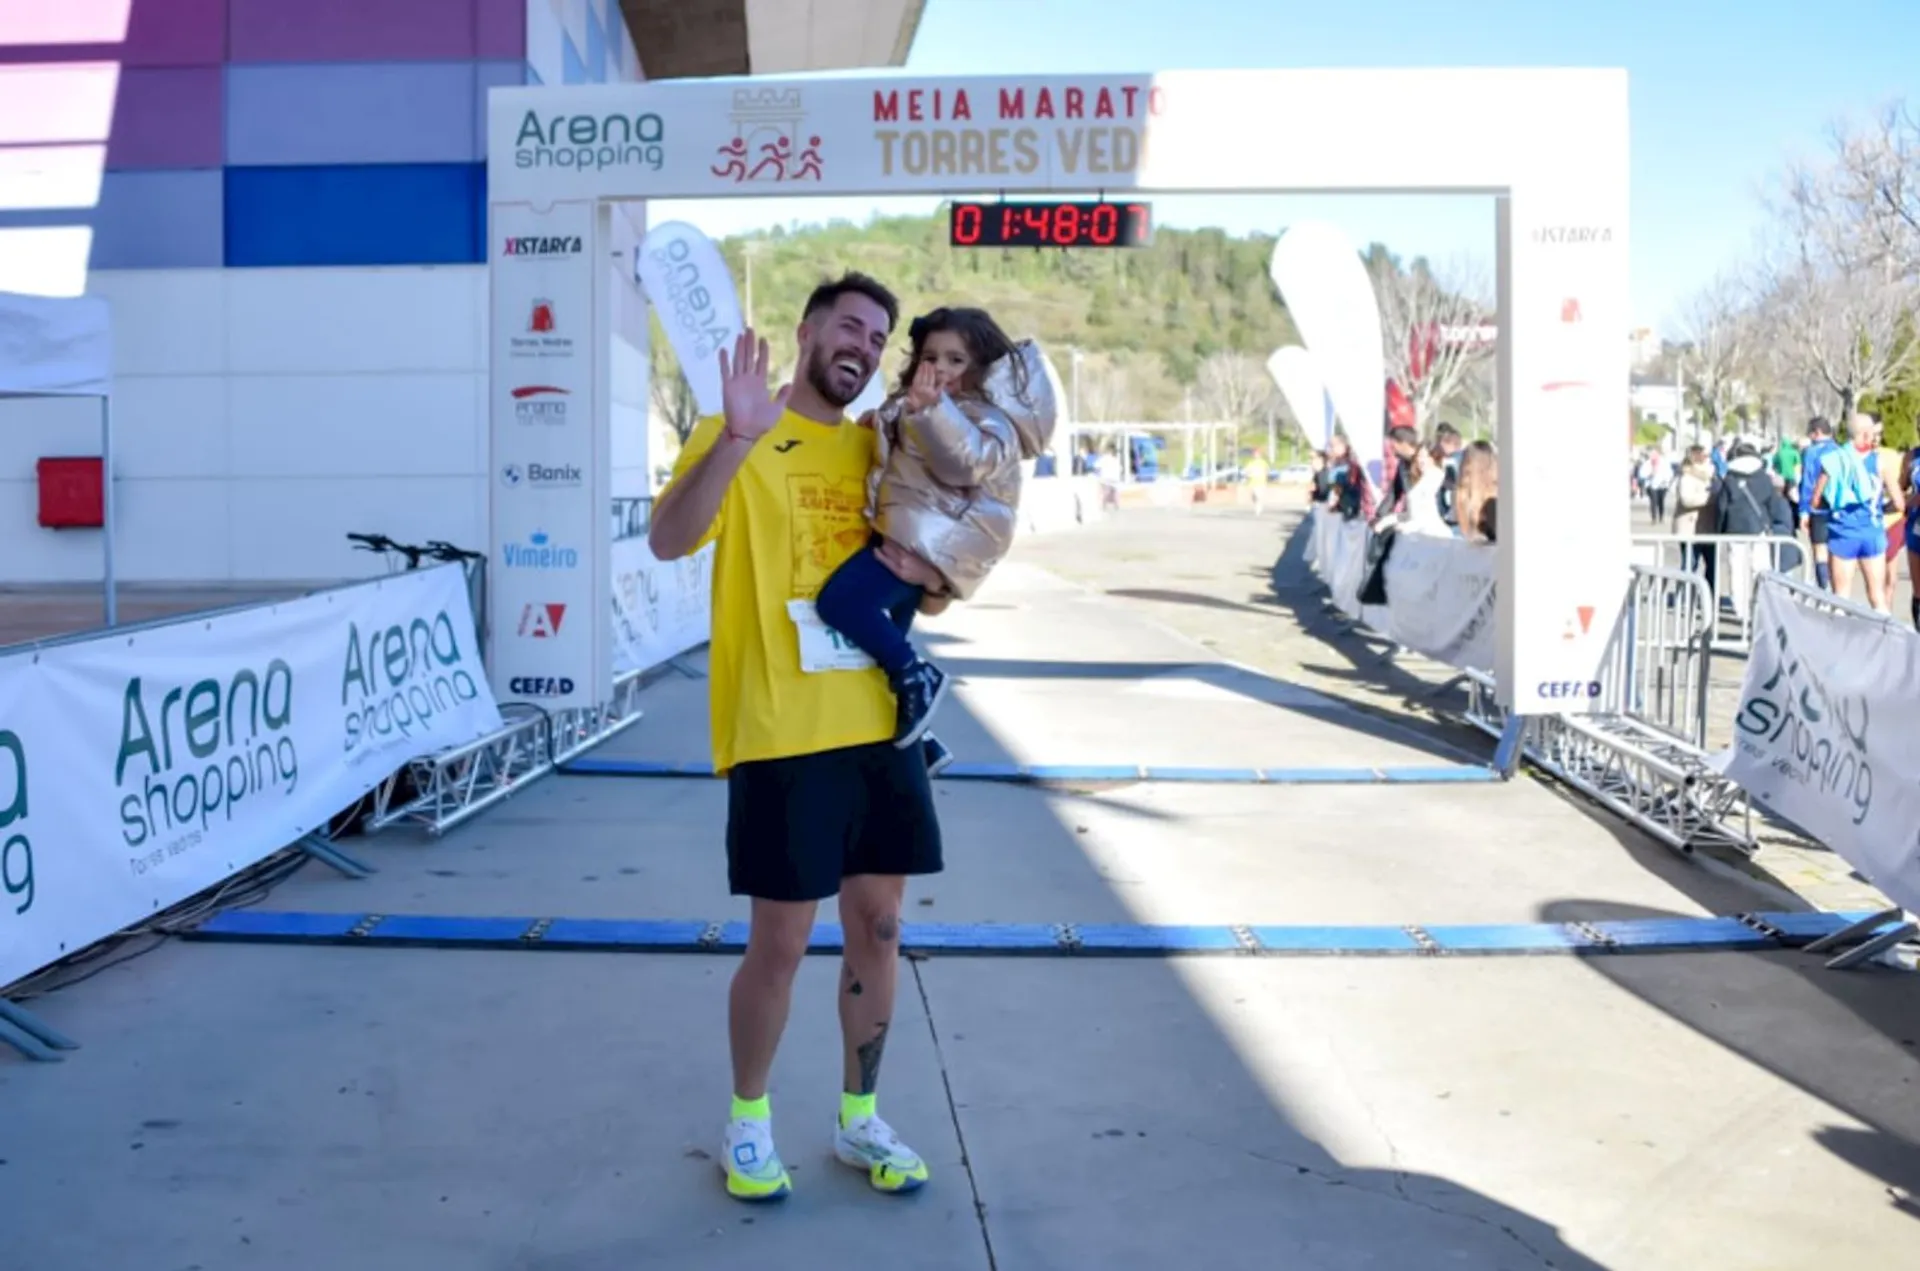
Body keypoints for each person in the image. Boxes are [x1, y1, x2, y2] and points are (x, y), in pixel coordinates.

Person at [648, 273, 943, 1203]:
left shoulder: (881, 447)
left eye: (879, 334)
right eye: (848, 325)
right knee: (780, 942)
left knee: (881, 928)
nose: (862, 342)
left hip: (880, 728)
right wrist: (735, 438)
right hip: (782, 729)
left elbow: (934, 579)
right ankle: (748, 1121)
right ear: (809, 332)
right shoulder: (738, 430)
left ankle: (860, 1120)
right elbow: (668, 538)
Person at [814, 306, 1056, 755]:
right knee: (877, 660)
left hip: (919, 549)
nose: (940, 369)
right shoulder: (921, 407)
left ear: (982, 368)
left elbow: (963, 462)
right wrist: (881, 424)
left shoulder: (987, 419)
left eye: (955, 360)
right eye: (931, 357)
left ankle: (919, 678)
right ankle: (919, 741)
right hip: (907, 549)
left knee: (840, 602)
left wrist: (933, 410)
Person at [1810, 412, 1896, 613]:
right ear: (1865, 435)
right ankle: (1885, 641)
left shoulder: (1833, 460)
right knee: (1877, 597)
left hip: (1842, 533)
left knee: (1840, 598)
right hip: (1871, 533)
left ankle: (1841, 641)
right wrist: (1881, 509)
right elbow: (1899, 503)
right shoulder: (1878, 462)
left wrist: (1829, 505)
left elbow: (1815, 499)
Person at [1797, 416, 1839, 589]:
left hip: (1818, 508)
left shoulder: (1811, 452)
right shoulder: (1840, 450)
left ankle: (1824, 588)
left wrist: (1803, 511)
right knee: (1836, 552)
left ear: (1817, 433)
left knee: (1820, 550)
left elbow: (1807, 483)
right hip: (1839, 507)